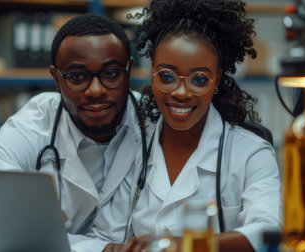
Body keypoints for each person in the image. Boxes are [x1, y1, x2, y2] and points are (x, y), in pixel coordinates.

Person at [0, 13, 152, 251]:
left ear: (129, 72)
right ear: (56, 79)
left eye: (112, 74)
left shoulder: (154, 123)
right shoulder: (34, 123)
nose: (96, 90)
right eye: (77, 77)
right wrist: (99, 249)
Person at [89, 0, 282, 251]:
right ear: (152, 74)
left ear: (217, 80)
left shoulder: (251, 153)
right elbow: (104, 234)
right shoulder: (133, 145)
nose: (181, 92)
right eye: (167, 77)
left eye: (199, 79)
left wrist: (185, 245)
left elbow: (268, 230)